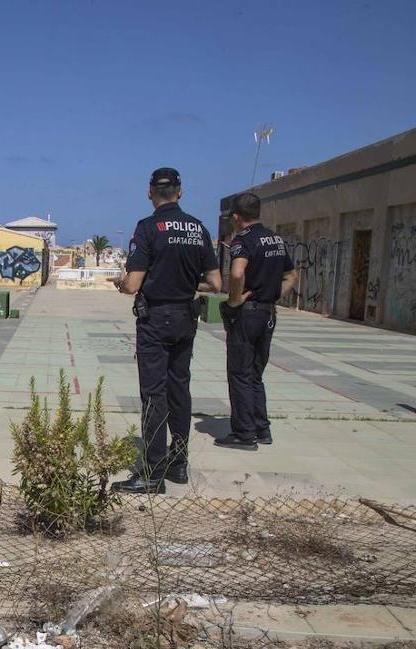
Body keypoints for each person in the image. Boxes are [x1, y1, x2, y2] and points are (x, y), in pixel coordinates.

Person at [111, 168, 222, 494]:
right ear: (180, 192)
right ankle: (178, 463)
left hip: (156, 319)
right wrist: (188, 283)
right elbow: (215, 282)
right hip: (186, 317)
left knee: (154, 394)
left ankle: (152, 471)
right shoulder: (198, 229)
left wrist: (122, 283)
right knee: (180, 389)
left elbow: (133, 285)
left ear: (150, 193)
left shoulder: (149, 229)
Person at [215, 192, 298, 449]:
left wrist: (235, 299)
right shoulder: (276, 239)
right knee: (255, 374)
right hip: (268, 313)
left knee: (239, 373)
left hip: (247, 314)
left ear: (238, 218)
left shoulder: (244, 240)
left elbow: (238, 271)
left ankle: (243, 433)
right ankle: (262, 428)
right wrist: (271, 295)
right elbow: (292, 275)